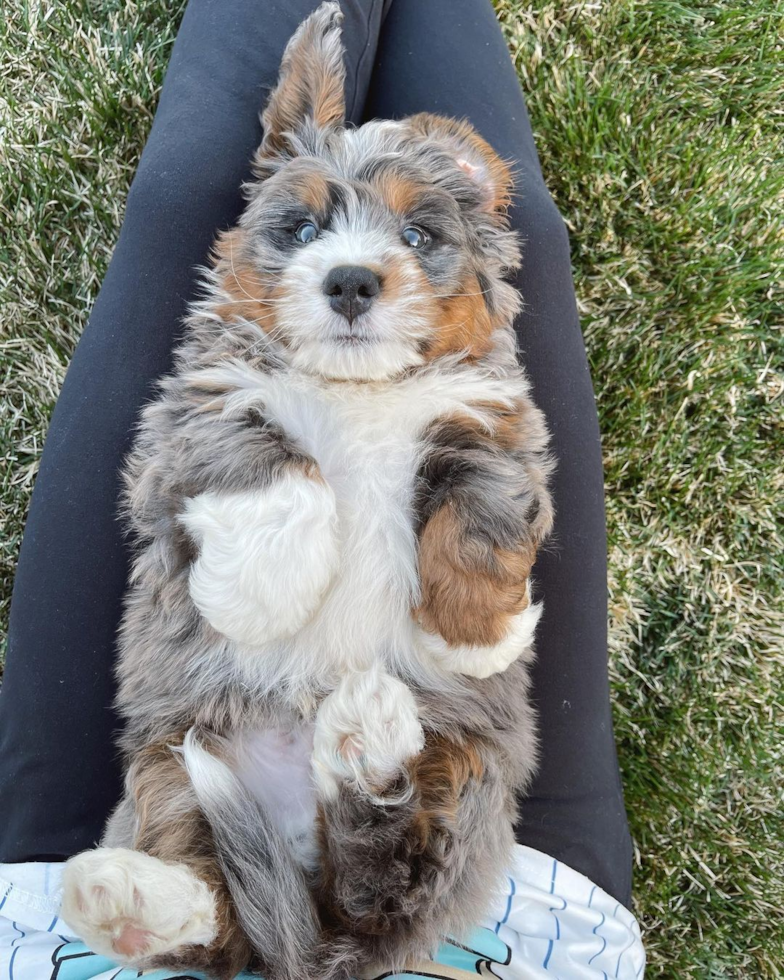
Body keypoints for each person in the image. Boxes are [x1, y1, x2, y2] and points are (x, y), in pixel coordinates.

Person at [0, 1, 644, 976]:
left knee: (191, 199)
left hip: (111, 892)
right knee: (519, 237)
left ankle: (205, 899)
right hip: (484, 889)